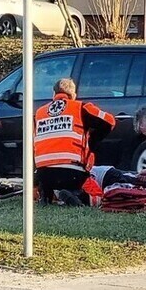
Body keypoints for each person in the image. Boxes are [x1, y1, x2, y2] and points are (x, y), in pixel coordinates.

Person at [32, 77, 115, 206]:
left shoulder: (39, 113)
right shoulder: (81, 107)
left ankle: (46, 195)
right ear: (74, 95)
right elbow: (110, 121)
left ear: (53, 94)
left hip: (44, 173)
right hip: (72, 173)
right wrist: (92, 140)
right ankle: (79, 195)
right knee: (94, 196)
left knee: (47, 176)